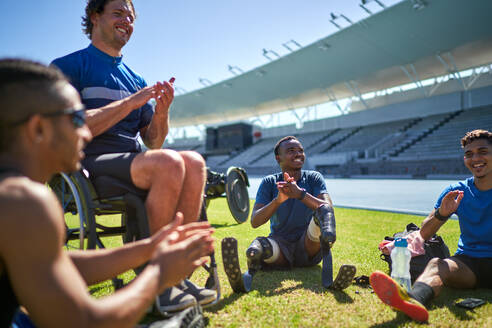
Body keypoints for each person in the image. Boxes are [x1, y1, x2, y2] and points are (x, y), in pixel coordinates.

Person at [0, 58, 214, 328]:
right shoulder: (22, 201)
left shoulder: (10, 197)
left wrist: (149, 248)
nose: (86, 133)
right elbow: (83, 322)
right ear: (38, 128)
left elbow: (53, 264)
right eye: (78, 118)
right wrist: (158, 275)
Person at [51, 0, 215, 312]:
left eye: (131, 16)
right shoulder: (69, 66)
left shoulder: (135, 79)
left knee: (193, 161)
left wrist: (162, 112)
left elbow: (153, 141)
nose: (127, 20)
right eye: (118, 12)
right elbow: (72, 127)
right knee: (167, 162)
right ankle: (156, 280)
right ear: (95, 17)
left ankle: (176, 277)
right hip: (86, 163)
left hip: (133, 160)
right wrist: (129, 104)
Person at [370, 129, 492, 322]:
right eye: (469, 154)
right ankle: (413, 301)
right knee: (436, 265)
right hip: (469, 263)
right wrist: (441, 213)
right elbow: (423, 234)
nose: (475, 158)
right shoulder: (457, 191)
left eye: (483, 151)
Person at [226, 136, 355, 290]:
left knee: (323, 209)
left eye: (301, 150)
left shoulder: (314, 178)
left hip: (309, 245)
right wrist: (278, 200)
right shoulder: (269, 182)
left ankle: (327, 242)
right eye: (291, 151)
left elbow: (327, 208)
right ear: (278, 158)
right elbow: (255, 221)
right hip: (280, 246)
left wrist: (300, 194)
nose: (298, 154)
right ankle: (247, 272)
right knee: (257, 248)